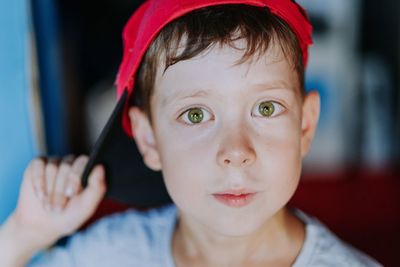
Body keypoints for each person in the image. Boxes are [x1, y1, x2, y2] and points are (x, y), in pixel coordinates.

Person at [0, 0, 382, 266]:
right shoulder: (110, 253)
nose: (235, 150)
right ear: (149, 140)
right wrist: (25, 234)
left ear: (305, 125)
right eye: (196, 114)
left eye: (265, 108)